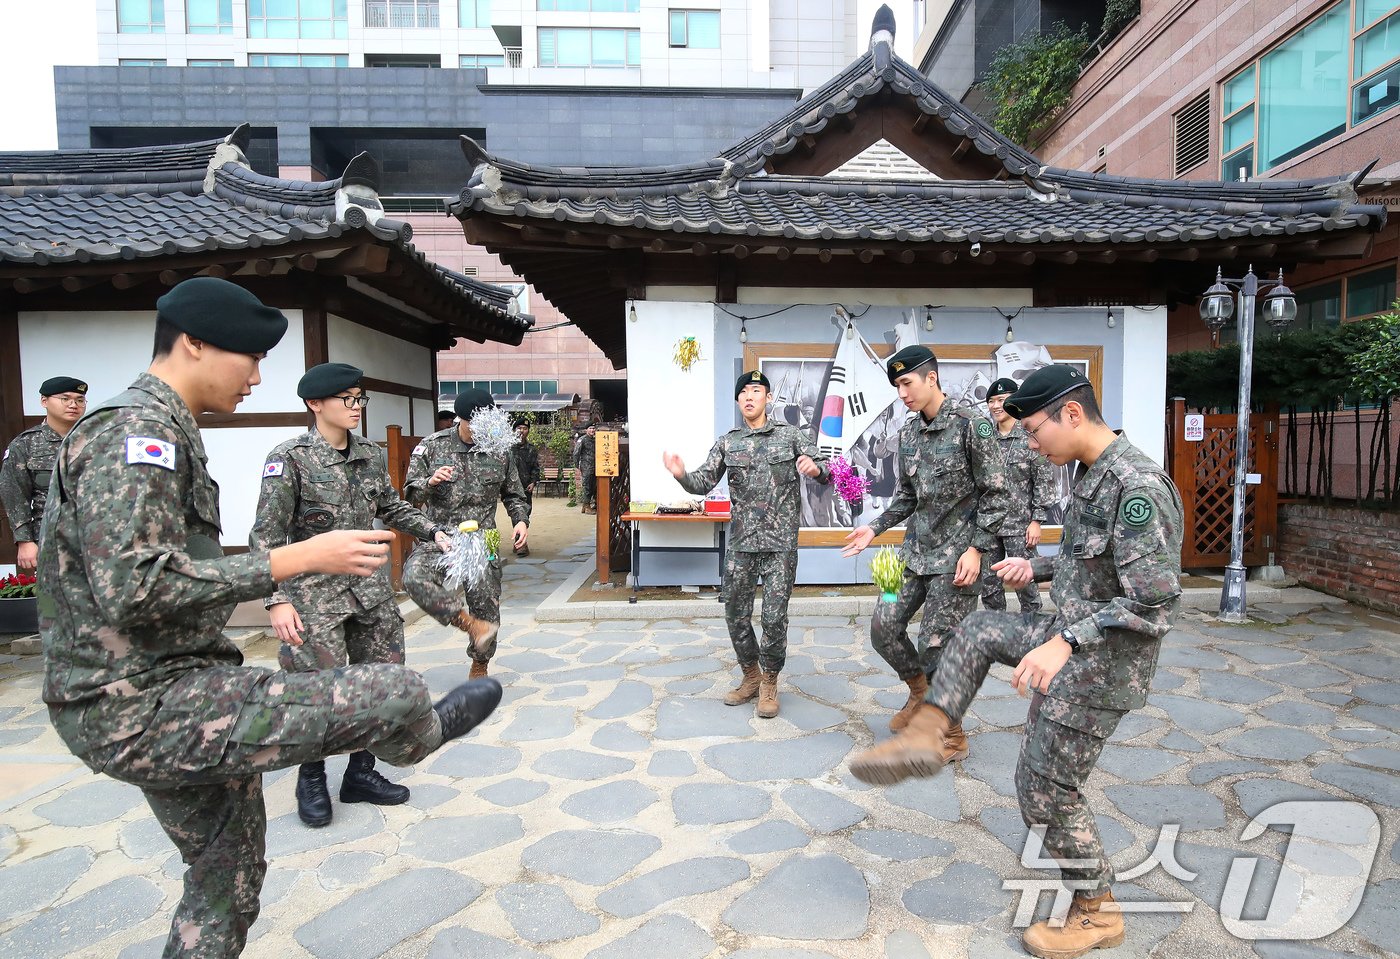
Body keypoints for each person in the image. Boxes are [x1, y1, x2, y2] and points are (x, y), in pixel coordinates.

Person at [37, 276, 501, 959]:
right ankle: (417, 732)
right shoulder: (136, 430)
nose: (257, 375)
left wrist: (419, 533)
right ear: (192, 343)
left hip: (179, 681)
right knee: (391, 692)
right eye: (247, 357)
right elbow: (133, 589)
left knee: (229, 873)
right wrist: (290, 566)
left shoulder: (169, 428)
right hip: (138, 699)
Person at [847, 365, 1184, 959]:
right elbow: (1094, 562)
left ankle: (1096, 912)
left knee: (1043, 790)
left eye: (1033, 431)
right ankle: (929, 733)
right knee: (976, 628)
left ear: (1071, 415)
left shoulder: (1137, 488)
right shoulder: (1092, 473)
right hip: (1070, 633)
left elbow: (1154, 603)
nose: (1029, 444)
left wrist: (1067, 642)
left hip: (1102, 662)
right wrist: (1041, 568)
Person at [249, 363, 459, 828]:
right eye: (347, 399)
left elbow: (389, 506)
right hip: (312, 599)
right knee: (315, 692)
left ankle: (361, 773)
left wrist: (433, 532)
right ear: (315, 404)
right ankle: (311, 777)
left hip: (369, 592)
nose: (356, 407)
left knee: (380, 682)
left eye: (359, 399)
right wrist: (275, 599)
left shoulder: (369, 451)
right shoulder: (290, 458)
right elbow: (266, 535)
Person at [842, 345, 1009, 739]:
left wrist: (977, 548)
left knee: (936, 645)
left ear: (931, 378)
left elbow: (997, 493)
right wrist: (874, 528)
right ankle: (919, 693)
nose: (902, 393)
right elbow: (907, 497)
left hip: (957, 558)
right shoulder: (908, 432)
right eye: (897, 386)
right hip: (913, 554)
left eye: (906, 383)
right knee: (883, 626)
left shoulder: (972, 424)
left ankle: (951, 736)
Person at [663, 370, 829, 718]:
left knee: (773, 617)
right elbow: (703, 481)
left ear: (768, 398)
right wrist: (680, 474)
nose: (750, 397)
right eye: (744, 392)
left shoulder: (790, 437)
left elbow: (827, 466)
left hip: (779, 545)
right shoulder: (729, 442)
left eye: (757, 391)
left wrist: (815, 470)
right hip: (741, 543)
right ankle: (750, 675)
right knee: (735, 613)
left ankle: (770, 681)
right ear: (738, 401)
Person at [402, 388, 529, 678]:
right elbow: (409, 497)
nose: (484, 426)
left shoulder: (499, 449)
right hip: (441, 535)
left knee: (487, 604)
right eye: (477, 421)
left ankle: (480, 662)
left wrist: (521, 521)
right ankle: (464, 622)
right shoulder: (431, 447)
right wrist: (430, 482)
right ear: (462, 420)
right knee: (413, 577)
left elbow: (514, 494)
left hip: (485, 536)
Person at [981, 377, 1057, 614]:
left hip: (1020, 525)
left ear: (1013, 401)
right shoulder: (983, 438)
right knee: (989, 584)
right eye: (991, 401)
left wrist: (1037, 521)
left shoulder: (1029, 438)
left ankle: (1032, 632)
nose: (995, 406)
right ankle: (996, 633)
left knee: (1026, 584)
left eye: (1001, 400)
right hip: (988, 526)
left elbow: (1043, 480)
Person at [1, 376, 88, 571]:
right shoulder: (25, 445)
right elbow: (14, 493)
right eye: (65, 399)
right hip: (50, 540)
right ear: (44, 401)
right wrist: (24, 541)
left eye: (80, 400)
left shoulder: (97, 440)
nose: (73, 405)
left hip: (96, 539)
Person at [511, 421, 541, 556]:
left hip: (526, 487)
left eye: (524, 428)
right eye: (519, 428)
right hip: (511, 487)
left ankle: (519, 541)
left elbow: (535, 467)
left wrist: (533, 482)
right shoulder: (508, 447)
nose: (522, 431)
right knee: (517, 513)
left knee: (526, 513)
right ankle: (521, 544)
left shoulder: (532, 449)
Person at [575, 424, 597, 513]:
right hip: (586, 467)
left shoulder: (595, 440)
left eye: (593, 428)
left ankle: (586, 506)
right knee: (587, 487)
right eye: (590, 428)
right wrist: (577, 465)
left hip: (594, 467)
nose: (592, 430)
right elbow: (576, 453)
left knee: (593, 487)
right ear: (586, 430)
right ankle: (587, 507)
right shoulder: (582, 439)